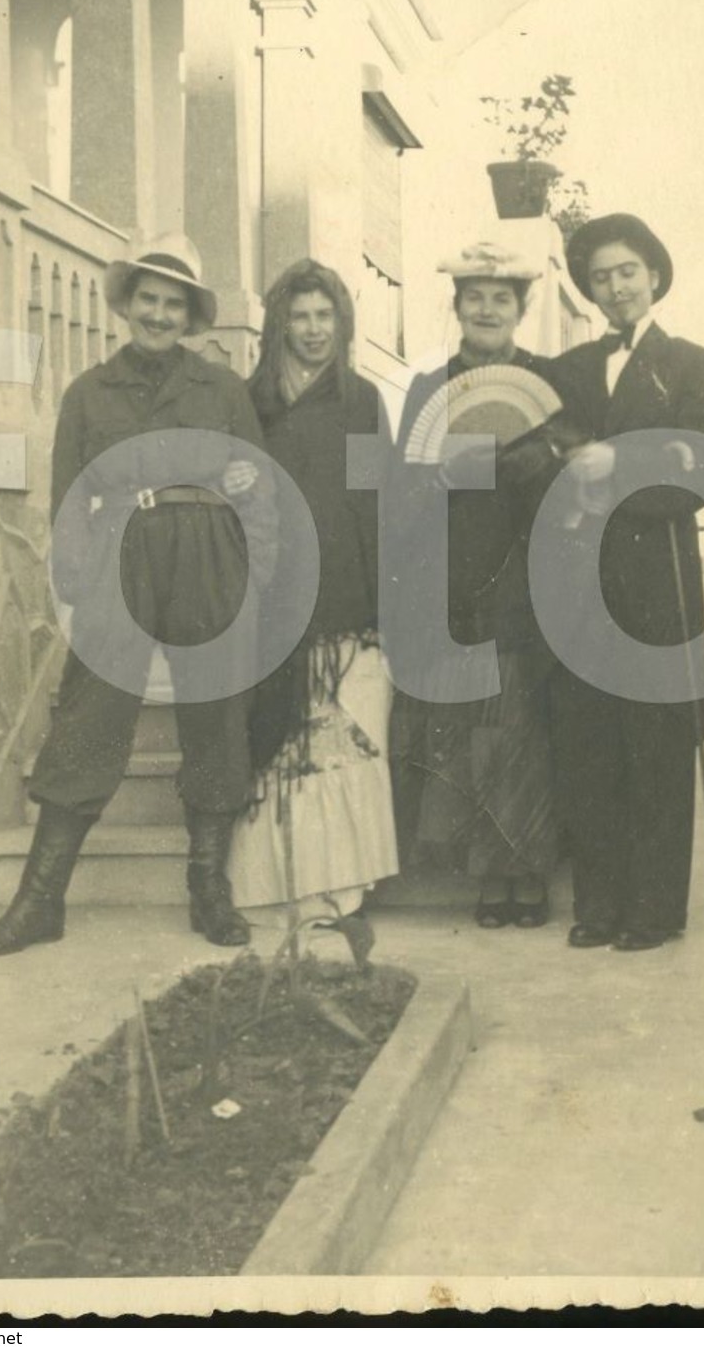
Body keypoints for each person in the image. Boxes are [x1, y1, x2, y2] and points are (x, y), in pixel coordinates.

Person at [0, 234, 276, 957]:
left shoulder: (221, 389)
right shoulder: (89, 392)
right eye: (148, 299)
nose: (159, 314)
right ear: (127, 305)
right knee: (89, 715)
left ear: (191, 314)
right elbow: (71, 491)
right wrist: (75, 580)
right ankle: (40, 899)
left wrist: (256, 572)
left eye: (174, 303)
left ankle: (210, 891)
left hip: (208, 555)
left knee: (216, 714)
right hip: (121, 554)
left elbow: (259, 483)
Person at [533, 213, 704, 951]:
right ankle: (599, 903)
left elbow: (703, 465)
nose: (613, 285)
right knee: (588, 741)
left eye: (625, 271)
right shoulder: (570, 371)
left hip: (656, 578)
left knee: (653, 740)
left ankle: (653, 910)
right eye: (599, 276)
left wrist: (614, 463)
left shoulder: (688, 365)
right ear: (586, 288)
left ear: (652, 275)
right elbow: (540, 448)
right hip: (581, 581)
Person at [388, 242, 574, 929]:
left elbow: (568, 480)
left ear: (520, 310)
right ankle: (487, 880)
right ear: (457, 306)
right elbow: (404, 481)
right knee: (470, 736)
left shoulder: (546, 383)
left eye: (501, 298)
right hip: (454, 575)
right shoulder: (426, 389)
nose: (487, 309)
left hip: (525, 577)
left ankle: (529, 875)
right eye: (475, 297)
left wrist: (534, 465)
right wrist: (442, 473)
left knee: (521, 731)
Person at [227, 259, 399, 924]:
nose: (312, 329)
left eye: (324, 315)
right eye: (299, 316)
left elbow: (372, 504)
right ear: (278, 324)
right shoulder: (251, 401)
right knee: (279, 742)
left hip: (346, 601)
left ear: (341, 322)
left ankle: (344, 890)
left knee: (344, 741)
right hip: (272, 599)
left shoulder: (359, 402)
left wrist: (380, 605)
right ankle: (279, 891)